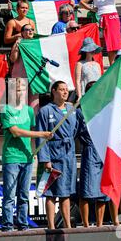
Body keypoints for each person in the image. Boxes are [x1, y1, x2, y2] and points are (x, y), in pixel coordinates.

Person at [1, 78, 53, 231]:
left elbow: (30, 134)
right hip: (12, 157)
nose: (21, 91)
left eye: (23, 88)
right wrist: (41, 134)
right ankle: (7, 226)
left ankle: (23, 225)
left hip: (27, 157)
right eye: (17, 88)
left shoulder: (29, 110)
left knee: (24, 195)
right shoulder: (5, 109)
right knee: (9, 195)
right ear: (11, 91)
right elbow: (16, 132)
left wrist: (39, 146)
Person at [36, 81, 79, 229]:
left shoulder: (71, 109)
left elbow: (77, 129)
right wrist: (45, 160)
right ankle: (51, 225)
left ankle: (67, 225)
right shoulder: (45, 110)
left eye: (66, 90)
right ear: (54, 91)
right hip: (53, 154)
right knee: (51, 192)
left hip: (68, 154)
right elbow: (41, 136)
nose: (65, 92)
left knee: (65, 192)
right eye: (61, 89)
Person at [77, 81, 118, 227]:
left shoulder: (106, 109)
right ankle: (86, 224)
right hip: (90, 150)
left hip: (104, 150)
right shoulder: (81, 111)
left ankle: (100, 224)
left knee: (103, 192)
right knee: (86, 191)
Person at [9, 23, 39, 114]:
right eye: (27, 29)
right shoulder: (19, 43)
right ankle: (19, 126)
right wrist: (16, 46)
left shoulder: (37, 44)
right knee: (18, 105)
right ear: (22, 33)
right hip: (19, 77)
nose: (30, 31)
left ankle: (32, 126)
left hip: (34, 77)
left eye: (32, 30)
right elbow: (13, 59)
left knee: (34, 106)